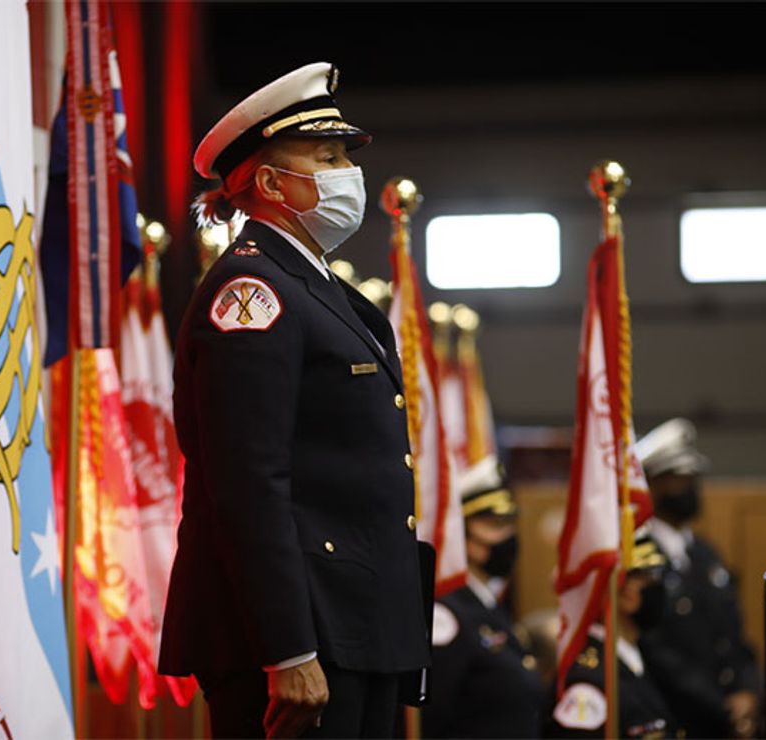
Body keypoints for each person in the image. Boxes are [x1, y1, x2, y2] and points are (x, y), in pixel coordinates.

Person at [157, 62, 431, 738]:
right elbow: (247, 484)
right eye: (327, 156)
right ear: (273, 183)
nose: (348, 173)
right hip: (300, 640)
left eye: (345, 156)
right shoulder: (254, 294)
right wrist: (288, 648)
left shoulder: (316, 289)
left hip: (353, 624)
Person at [635, 418, 762, 738]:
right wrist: (720, 706)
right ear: (651, 482)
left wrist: (748, 690)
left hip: (731, 720)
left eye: (693, 477)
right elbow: (655, 648)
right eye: (677, 478)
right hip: (681, 720)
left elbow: (734, 635)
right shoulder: (641, 558)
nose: (690, 487)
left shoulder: (706, 554)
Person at [421, 456, 546, 738]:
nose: (508, 536)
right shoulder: (447, 616)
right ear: (461, 532)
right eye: (493, 524)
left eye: (509, 524)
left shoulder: (489, 606)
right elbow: (433, 718)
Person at [544, 527, 681, 739]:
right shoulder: (589, 681)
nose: (658, 587)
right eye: (647, 577)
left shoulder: (640, 654)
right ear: (621, 591)